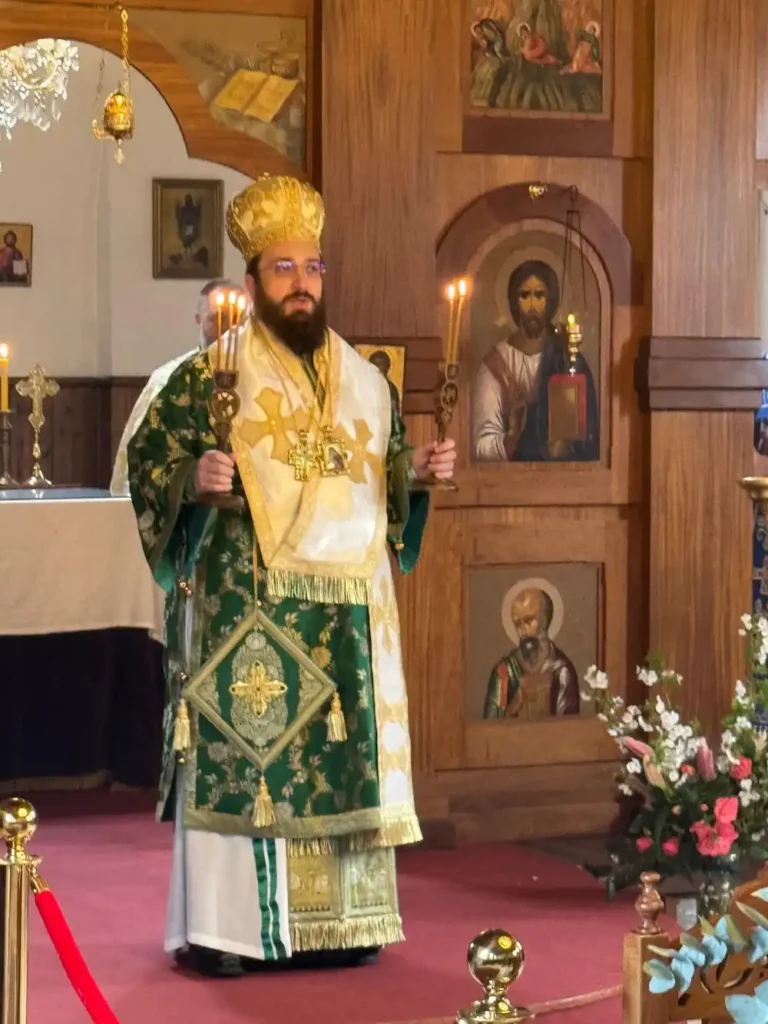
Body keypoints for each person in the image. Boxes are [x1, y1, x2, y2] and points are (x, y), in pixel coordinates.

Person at [126, 174, 457, 978]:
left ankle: (339, 927)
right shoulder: (205, 377)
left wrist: (419, 474)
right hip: (245, 604)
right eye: (284, 268)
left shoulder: (365, 381)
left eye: (313, 267)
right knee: (248, 754)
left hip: (346, 611)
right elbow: (150, 465)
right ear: (251, 283)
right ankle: (228, 930)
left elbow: (383, 484)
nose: (302, 283)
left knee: (341, 758)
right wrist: (193, 479)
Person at [110, 279, 243, 497]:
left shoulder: (268, 379)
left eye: (240, 319)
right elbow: (145, 461)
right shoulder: (169, 379)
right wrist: (191, 476)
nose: (229, 329)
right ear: (198, 319)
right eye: (217, 318)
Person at [472, 259, 599, 462]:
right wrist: (513, 436)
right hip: (510, 477)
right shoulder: (495, 365)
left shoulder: (567, 357)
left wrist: (567, 444)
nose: (532, 306)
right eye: (524, 296)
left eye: (540, 295)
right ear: (514, 302)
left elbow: (589, 433)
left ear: (551, 301)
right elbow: (481, 445)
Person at [483, 587, 579, 720]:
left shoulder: (562, 671)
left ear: (545, 620)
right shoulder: (504, 672)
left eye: (529, 621)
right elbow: (490, 726)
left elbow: (568, 726)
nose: (523, 630)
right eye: (517, 624)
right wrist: (514, 706)